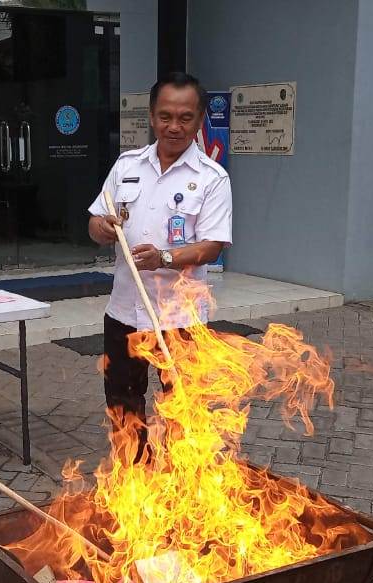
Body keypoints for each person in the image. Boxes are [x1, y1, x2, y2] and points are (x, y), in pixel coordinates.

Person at [87, 72, 232, 428]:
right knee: (123, 409)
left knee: (181, 412)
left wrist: (163, 258)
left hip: (180, 320)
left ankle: (176, 480)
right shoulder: (127, 166)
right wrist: (101, 228)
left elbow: (212, 246)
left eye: (185, 118)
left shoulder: (213, 178)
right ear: (152, 117)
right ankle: (134, 478)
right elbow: (94, 220)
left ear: (199, 120)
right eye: (165, 116)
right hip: (124, 313)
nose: (174, 126)